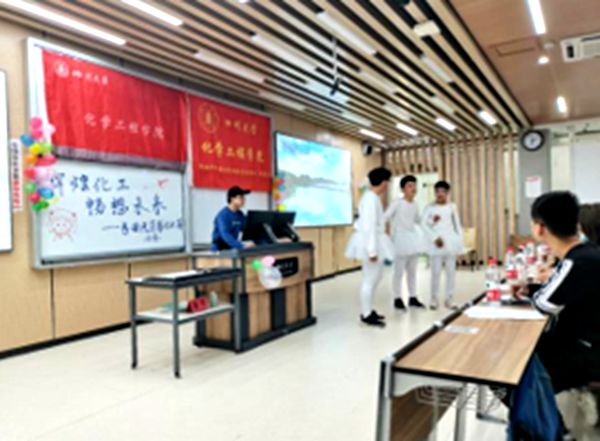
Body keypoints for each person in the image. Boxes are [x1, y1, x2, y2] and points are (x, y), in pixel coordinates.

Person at [517, 192, 600, 437]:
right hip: (588, 342)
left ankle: (552, 430)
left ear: (540, 228)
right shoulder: (589, 252)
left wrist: (531, 291)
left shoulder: (576, 260)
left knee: (507, 369)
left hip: (587, 353)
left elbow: (543, 304)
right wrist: (533, 288)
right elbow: (559, 291)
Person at [345, 167, 394, 327]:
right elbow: (369, 227)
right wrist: (372, 250)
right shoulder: (371, 199)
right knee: (370, 279)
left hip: (375, 240)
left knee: (376, 276)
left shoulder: (372, 197)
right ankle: (366, 313)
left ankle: (369, 309)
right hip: (370, 242)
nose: (387, 185)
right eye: (387, 181)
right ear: (383, 182)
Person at [384, 175, 426, 310]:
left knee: (412, 271)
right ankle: (397, 298)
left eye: (414, 186)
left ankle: (413, 297)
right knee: (398, 272)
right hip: (400, 240)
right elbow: (385, 217)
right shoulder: (397, 203)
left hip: (412, 239)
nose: (413, 189)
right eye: (409, 186)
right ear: (402, 189)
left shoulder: (415, 204)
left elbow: (418, 220)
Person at [421, 181, 464, 310]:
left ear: (447, 193)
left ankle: (449, 299)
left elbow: (457, 225)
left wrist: (460, 244)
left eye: (443, 192)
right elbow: (423, 224)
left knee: (451, 272)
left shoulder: (452, 207)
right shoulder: (429, 208)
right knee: (435, 272)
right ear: (435, 193)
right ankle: (433, 299)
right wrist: (434, 237)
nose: (440, 194)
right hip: (436, 243)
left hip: (451, 242)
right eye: (437, 191)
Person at [211, 186, 252, 251]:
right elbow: (226, 234)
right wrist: (241, 245)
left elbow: (246, 229)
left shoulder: (240, 214)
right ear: (232, 199)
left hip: (231, 247)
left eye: (244, 198)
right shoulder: (223, 215)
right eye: (241, 198)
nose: (244, 200)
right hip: (219, 249)